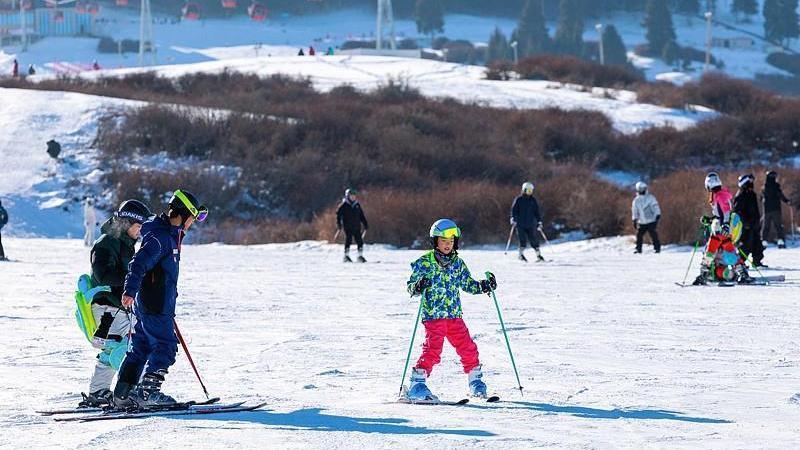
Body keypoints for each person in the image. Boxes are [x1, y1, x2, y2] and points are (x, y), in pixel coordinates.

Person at [112, 190, 207, 408]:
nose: (192, 223)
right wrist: (129, 290)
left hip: (152, 303)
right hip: (155, 305)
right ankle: (148, 393)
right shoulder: (161, 237)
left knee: (141, 346)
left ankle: (123, 394)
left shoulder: (168, 235)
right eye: (193, 218)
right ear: (183, 213)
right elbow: (138, 263)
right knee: (165, 345)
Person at [404, 219, 497, 401]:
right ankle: (417, 384)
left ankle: (475, 382)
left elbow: (468, 285)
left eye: (451, 241)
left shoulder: (458, 263)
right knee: (433, 349)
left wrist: (485, 286)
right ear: (435, 241)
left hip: (454, 315)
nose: (448, 245)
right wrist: (418, 285)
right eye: (444, 241)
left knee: (468, 347)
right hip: (433, 316)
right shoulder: (425, 263)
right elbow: (411, 287)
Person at [78, 200, 152, 408]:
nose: (140, 232)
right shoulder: (106, 242)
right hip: (106, 307)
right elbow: (103, 275)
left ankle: (98, 392)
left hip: (116, 307)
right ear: (126, 223)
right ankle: (134, 391)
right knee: (126, 348)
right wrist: (134, 278)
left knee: (113, 350)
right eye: (138, 226)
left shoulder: (125, 244)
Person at [693, 172, 753, 285]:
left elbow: (726, 211)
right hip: (720, 229)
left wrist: (725, 224)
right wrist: (710, 220)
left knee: (713, 251)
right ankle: (742, 273)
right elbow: (719, 214)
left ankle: (704, 275)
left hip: (721, 230)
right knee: (723, 252)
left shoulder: (720, 195)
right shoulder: (719, 194)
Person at [733, 174, 765, 267]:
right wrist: (745, 223)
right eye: (749, 182)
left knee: (757, 244)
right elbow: (737, 211)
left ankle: (757, 261)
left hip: (754, 224)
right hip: (746, 225)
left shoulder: (752, 194)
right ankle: (739, 263)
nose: (752, 184)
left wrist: (757, 222)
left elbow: (755, 210)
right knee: (745, 245)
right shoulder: (741, 195)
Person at [510, 181, 544, 262]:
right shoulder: (519, 200)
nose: (530, 193)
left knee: (534, 240)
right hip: (520, 224)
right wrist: (513, 218)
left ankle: (539, 255)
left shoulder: (533, 200)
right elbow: (514, 211)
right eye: (528, 191)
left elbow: (536, 212)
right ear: (524, 190)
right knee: (522, 240)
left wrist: (539, 221)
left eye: (531, 191)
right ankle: (520, 255)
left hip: (530, 224)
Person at [336, 188, 368, 263]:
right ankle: (346, 256)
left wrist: (365, 223)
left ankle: (360, 256)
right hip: (348, 226)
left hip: (357, 226)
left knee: (360, 241)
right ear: (347, 196)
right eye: (351, 196)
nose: (353, 197)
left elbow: (361, 215)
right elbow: (338, 215)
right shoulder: (344, 205)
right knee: (349, 240)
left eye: (354, 196)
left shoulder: (357, 205)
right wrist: (339, 224)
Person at [761, 170, 791, 249]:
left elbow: (761, 198)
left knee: (766, 227)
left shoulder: (764, 187)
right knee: (778, 226)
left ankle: (764, 242)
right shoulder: (776, 186)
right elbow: (780, 195)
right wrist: (787, 201)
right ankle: (781, 242)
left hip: (767, 210)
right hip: (776, 209)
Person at [631, 181, 661, 254]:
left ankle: (657, 248)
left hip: (651, 220)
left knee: (653, 235)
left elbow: (655, 206)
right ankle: (638, 249)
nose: (642, 190)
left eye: (643, 189)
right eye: (640, 189)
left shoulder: (650, 198)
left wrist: (658, 214)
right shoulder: (636, 200)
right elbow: (635, 210)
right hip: (642, 222)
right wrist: (634, 219)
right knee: (639, 235)